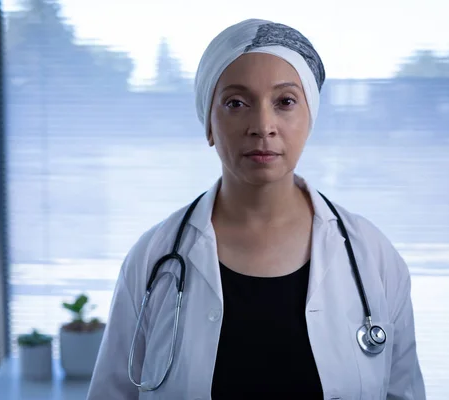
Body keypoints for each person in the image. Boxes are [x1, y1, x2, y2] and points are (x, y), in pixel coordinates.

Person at [86, 18, 426, 400]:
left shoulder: (373, 257)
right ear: (209, 124)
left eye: (285, 102)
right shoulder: (153, 259)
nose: (263, 126)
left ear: (309, 118)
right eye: (236, 103)